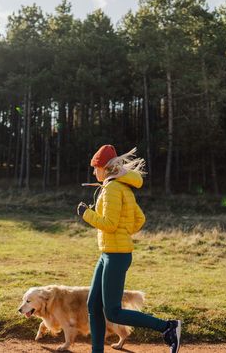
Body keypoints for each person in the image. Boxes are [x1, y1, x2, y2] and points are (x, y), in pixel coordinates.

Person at [77, 144, 182, 353]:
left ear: (104, 167)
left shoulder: (113, 190)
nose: (93, 171)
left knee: (113, 312)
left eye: (95, 166)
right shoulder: (121, 187)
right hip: (109, 253)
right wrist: (124, 232)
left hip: (115, 255)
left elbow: (109, 224)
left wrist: (86, 214)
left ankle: (168, 327)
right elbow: (140, 219)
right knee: (93, 305)